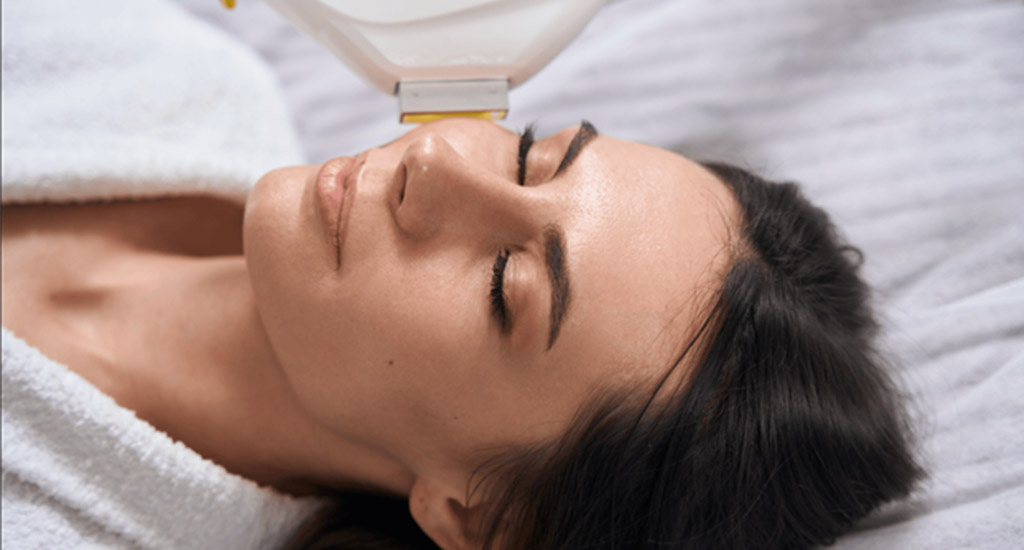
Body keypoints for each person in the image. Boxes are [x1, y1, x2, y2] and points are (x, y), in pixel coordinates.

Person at [1, 117, 921, 549]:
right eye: (530, 154)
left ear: (479, 514)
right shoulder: (177, 73)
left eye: (501, 285)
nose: (435, 160)